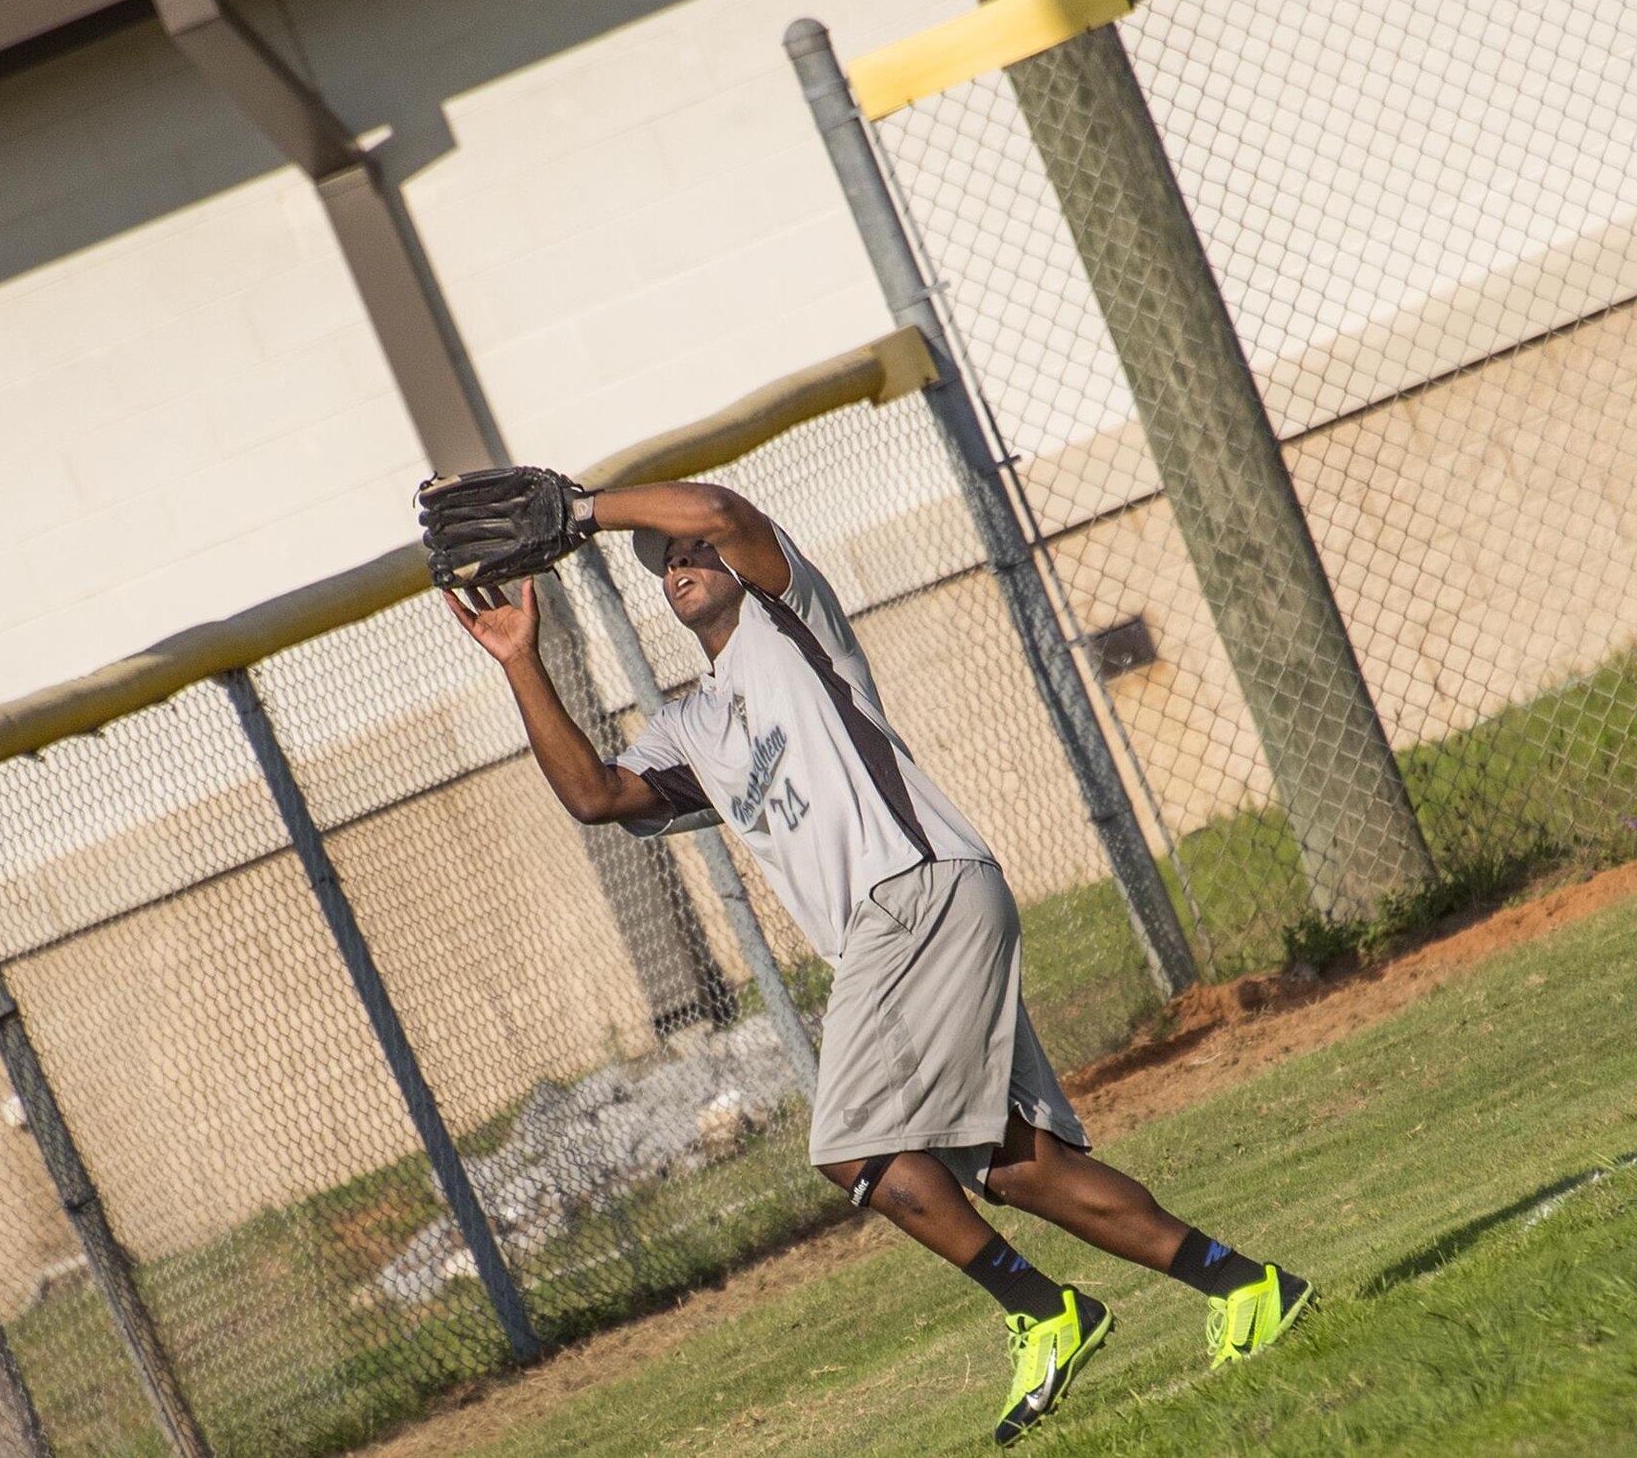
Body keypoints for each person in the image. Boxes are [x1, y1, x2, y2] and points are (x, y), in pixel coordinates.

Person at [441, 478, 1312, 1444]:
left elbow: (724, 512)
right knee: (1018, 1167)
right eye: (665, 565)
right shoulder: (691, 727)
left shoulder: (788, 621)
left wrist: (586, 511)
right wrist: (521, 663)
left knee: (849, 1143)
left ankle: (1042, 1311)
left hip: (917, 892)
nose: (680, 566)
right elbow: (597, 796)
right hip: (907, 922)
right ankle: (1246, 1287)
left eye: (686, 551)